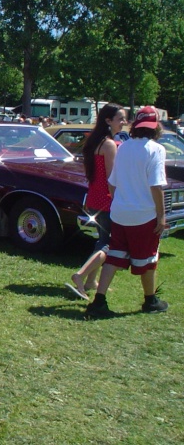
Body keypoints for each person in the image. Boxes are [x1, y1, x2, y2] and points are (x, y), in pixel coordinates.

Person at [85, 106, 168, 318]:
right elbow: (156, 186)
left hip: (120, 212)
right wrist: (161, 215)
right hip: (143, 214)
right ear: (155, 127)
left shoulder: (123, 147)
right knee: (148, 258)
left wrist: (120, 201)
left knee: (113, 256)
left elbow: (112, 183)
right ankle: (150, 300)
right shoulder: (156, 149)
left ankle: (99, 300)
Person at [66, 103, 126, 300]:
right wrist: (118, 200)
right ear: (108, 121)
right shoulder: (108, 144)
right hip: (106, 200)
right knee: (108, 244)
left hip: (94, 198)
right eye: (120, 119)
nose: (124, 123)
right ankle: (80, 275)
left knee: (101, 241)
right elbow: (112, 177)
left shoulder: (94, 142)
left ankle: (91, 280)